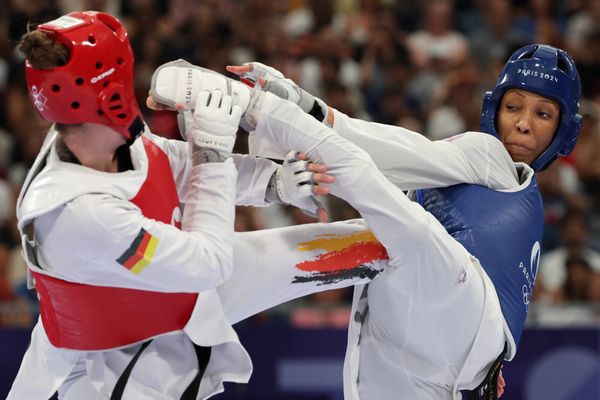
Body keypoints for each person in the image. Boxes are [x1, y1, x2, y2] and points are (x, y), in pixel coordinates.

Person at [159, 43, 581, 399]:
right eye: (514, 107)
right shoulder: (482, 155)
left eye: (543, 115)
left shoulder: (505, 180)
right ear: (494, 111)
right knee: (375, 236)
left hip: (459, 339)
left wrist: (301, 107)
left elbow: (386, 155)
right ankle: (195, 295)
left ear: (563, 132)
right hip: (433, 348)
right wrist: (302, 107)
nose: (523, 125)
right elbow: (393, 151)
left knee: (390, 225)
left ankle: (256, 112)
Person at [9, 11, 389, 400]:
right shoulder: (79, 213)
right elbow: (208, 263)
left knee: (372, 247)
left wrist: (272, 183)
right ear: (111, 87)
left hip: (166, 301)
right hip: (113, 368)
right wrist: (212, 152)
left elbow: (167, 163)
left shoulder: (94, 138)